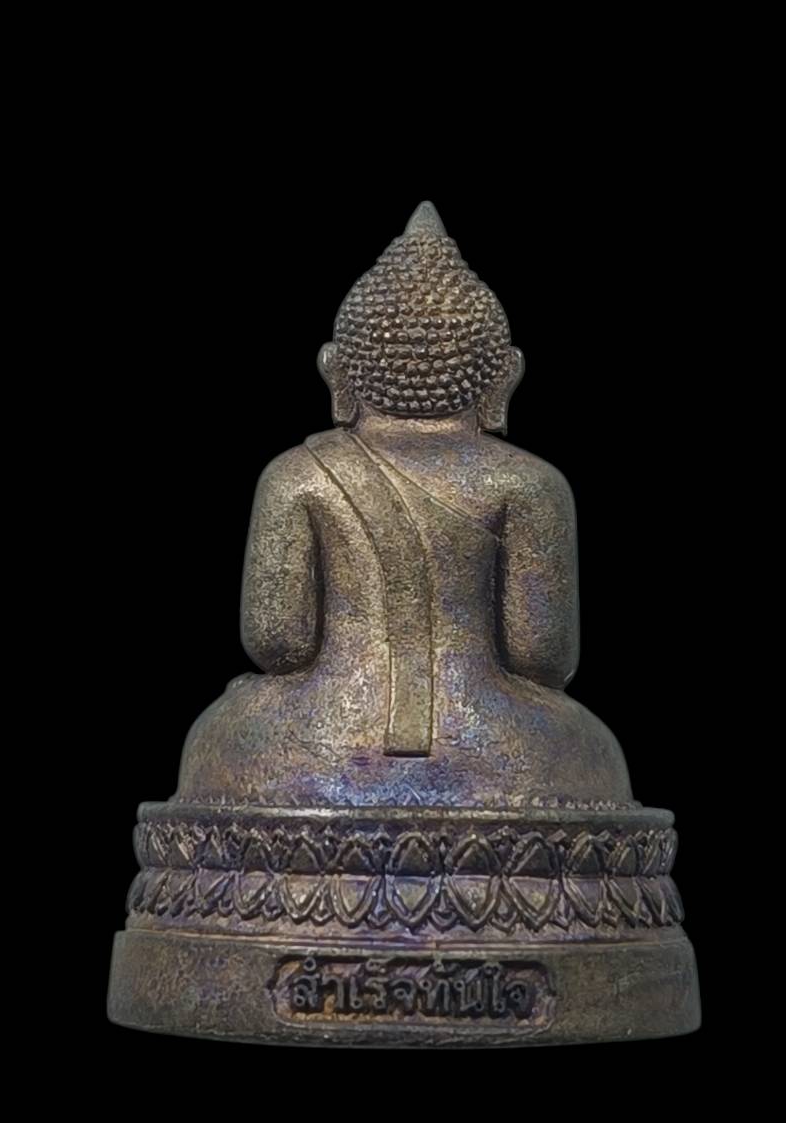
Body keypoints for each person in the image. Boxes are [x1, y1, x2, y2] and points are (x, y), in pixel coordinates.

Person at [177, 202, 634, 811]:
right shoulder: (530, 484)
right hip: (494, 745)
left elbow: (277, 642)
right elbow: (542, 658)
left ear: (337, 372)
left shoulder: (296, 477)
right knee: (588, 752)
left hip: (320, 740)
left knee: (226, 733)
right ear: (504, 378)